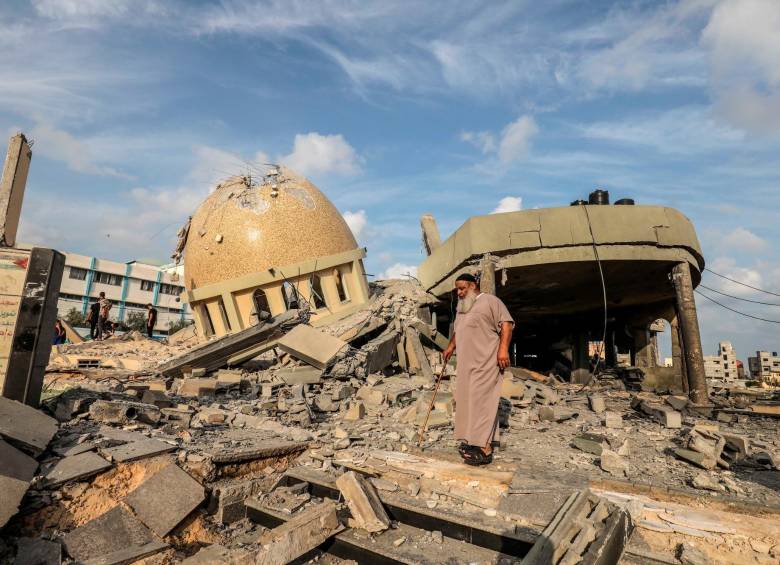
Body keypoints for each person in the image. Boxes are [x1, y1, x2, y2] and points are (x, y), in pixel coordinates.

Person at [443, 273, 514, 466]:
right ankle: (472, 441)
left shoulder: (490, 301)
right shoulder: (462, 307)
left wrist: (503, 350)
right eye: (457, 289)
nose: (459, 292)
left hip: (487, 361)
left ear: (473, 286)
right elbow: (460, 330)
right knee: (467, 401)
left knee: (483, 401)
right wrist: (450, 347)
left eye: (462, 288)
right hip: (467, 364)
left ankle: (485, 448)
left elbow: (506, 324)